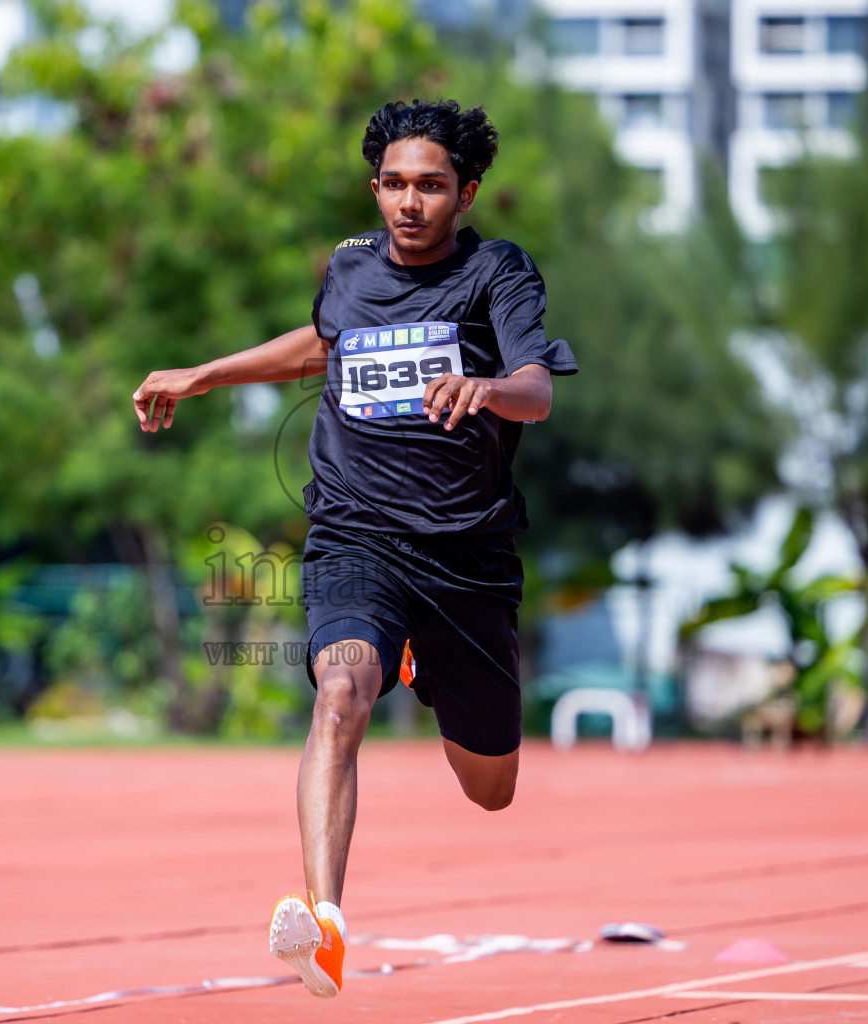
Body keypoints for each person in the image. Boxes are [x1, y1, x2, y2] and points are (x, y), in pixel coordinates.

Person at [132, 99, 575, 998]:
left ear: (466, 192)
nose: (410, 203)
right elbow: (325, 349)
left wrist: (488, 388)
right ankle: (324, 922)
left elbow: (537, 388)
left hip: (466, 556)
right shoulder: (348, 269)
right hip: (353, 534)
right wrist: (207, 373)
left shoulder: (498, 274)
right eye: (395, 185)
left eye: (432, 186)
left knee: (491, 787)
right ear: (376, 188)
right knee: (340, 690)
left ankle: (419, 661)